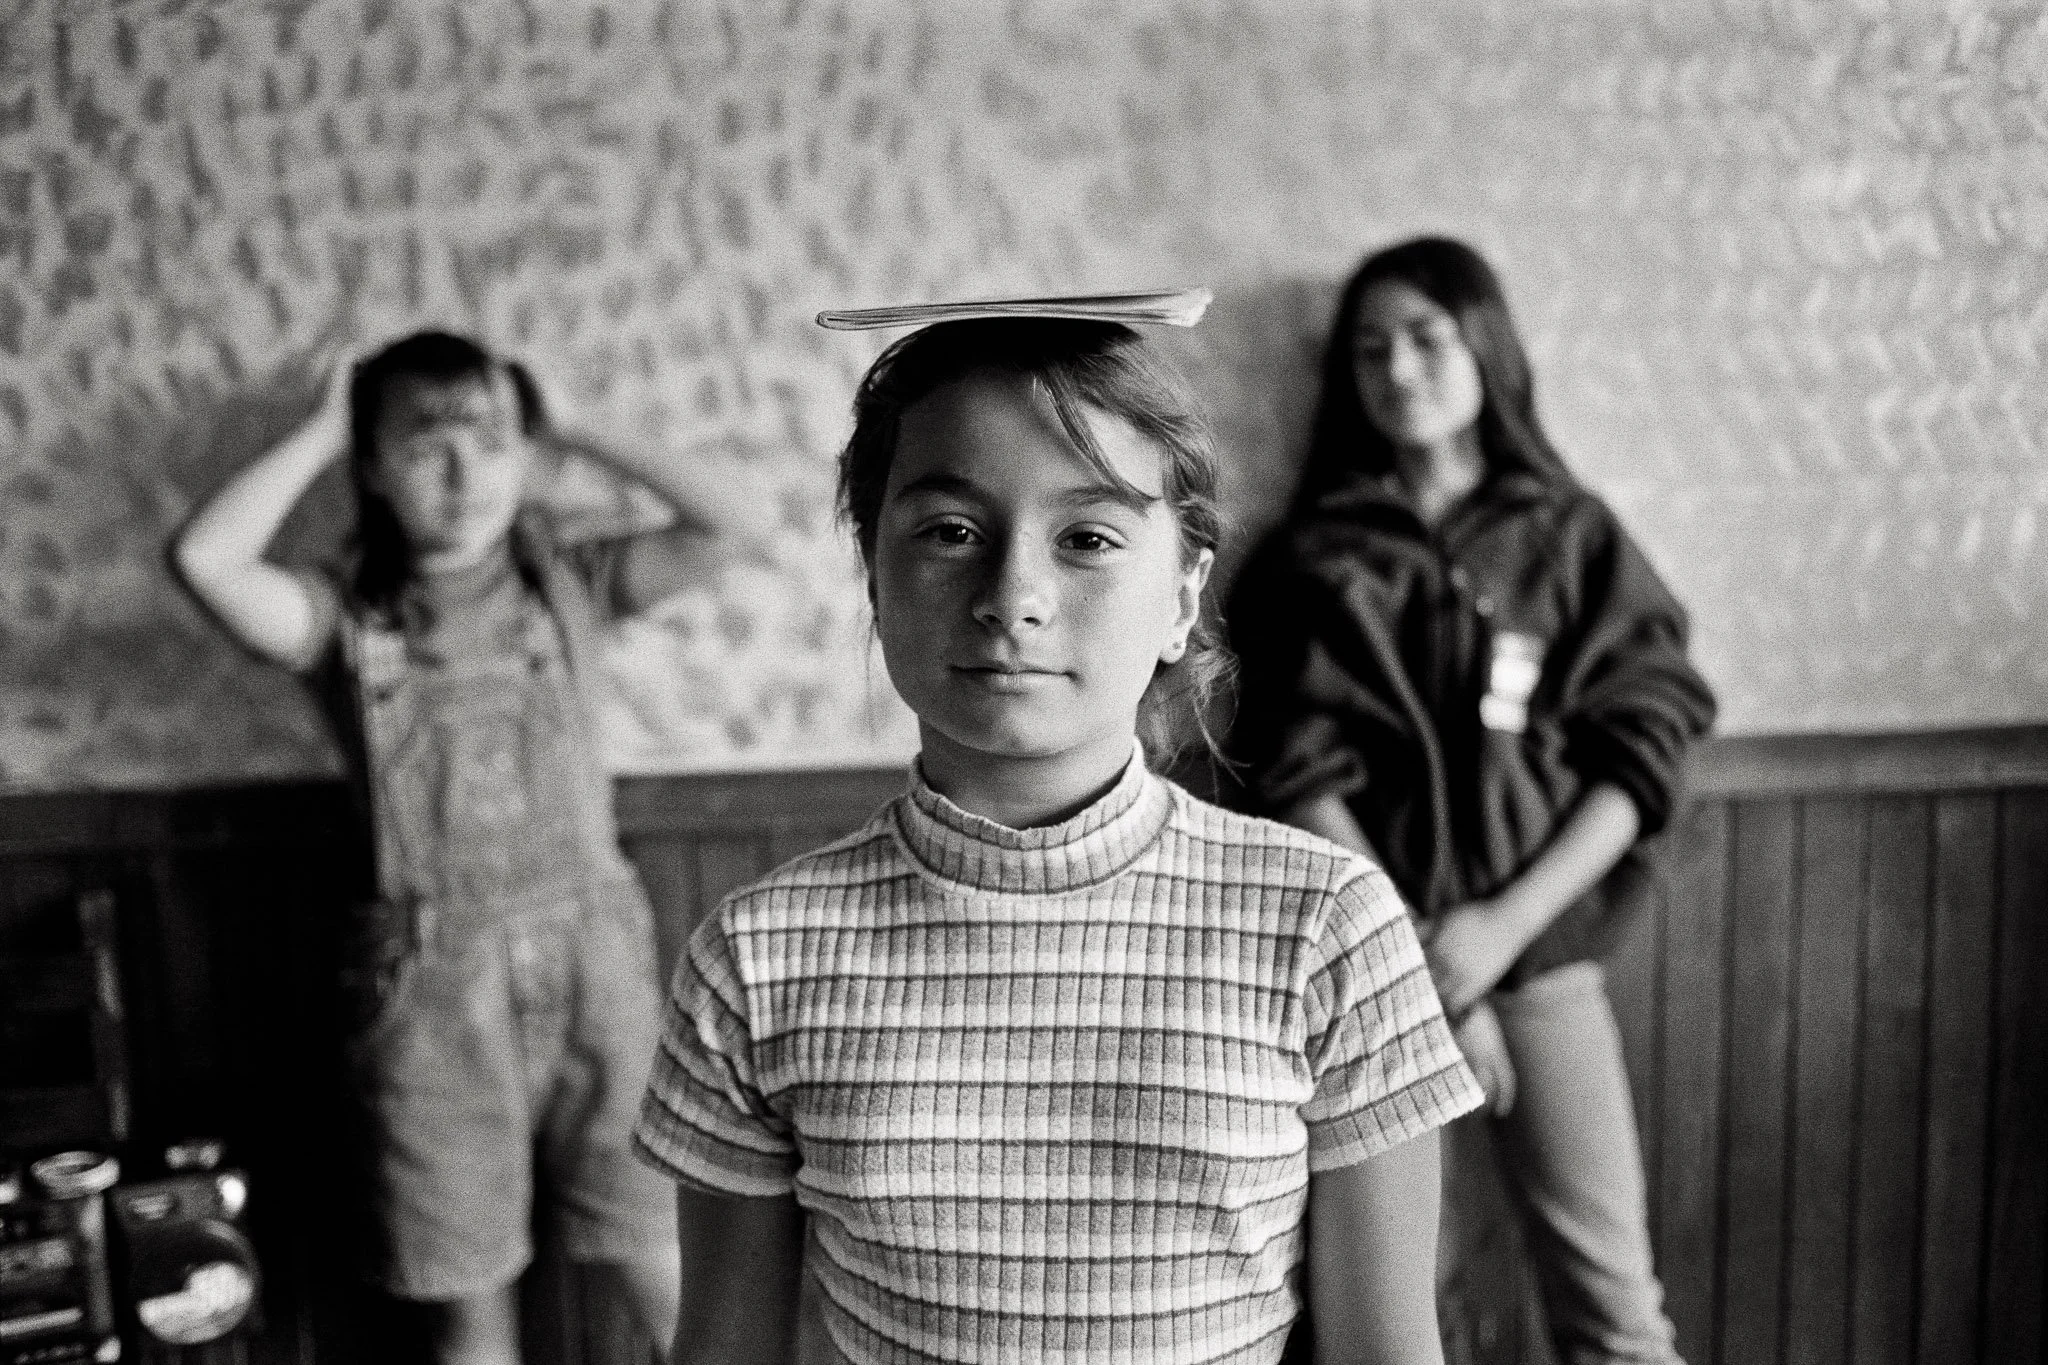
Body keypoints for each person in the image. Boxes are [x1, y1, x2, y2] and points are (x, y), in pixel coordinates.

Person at [632, 314, 1486, 1364]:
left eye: (1086, 539)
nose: (1012, 599)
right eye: (950, 531)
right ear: (872, 573)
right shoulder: (756, 959)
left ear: (1183, 595)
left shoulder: (1325, 926)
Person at [171, 331, 742, 1364]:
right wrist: (317, 431)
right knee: (468, 1306)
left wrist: (574, 423)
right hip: (431, 1001)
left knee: (664, 1272)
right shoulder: (343, 616)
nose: (462, 470)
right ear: (374, 467)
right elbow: (204, 562)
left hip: (600, 974)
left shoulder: (571, 583)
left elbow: (732, 523)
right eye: (425, 444)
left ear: (522, 454)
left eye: (488, 439)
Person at [1228, 237, 1717, 1365]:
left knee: (1616, 1313)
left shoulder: (1572, 536)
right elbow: (1292, 774)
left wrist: (1499, 932)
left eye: (1425, 337)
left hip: (1543, 963)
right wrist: (1422, 969)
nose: (1397, 369)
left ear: (1486, 345)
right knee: (1390, 1317)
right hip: (1367, 987)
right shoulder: (1310, 559)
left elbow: (1644, 755)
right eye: (1369, 349)